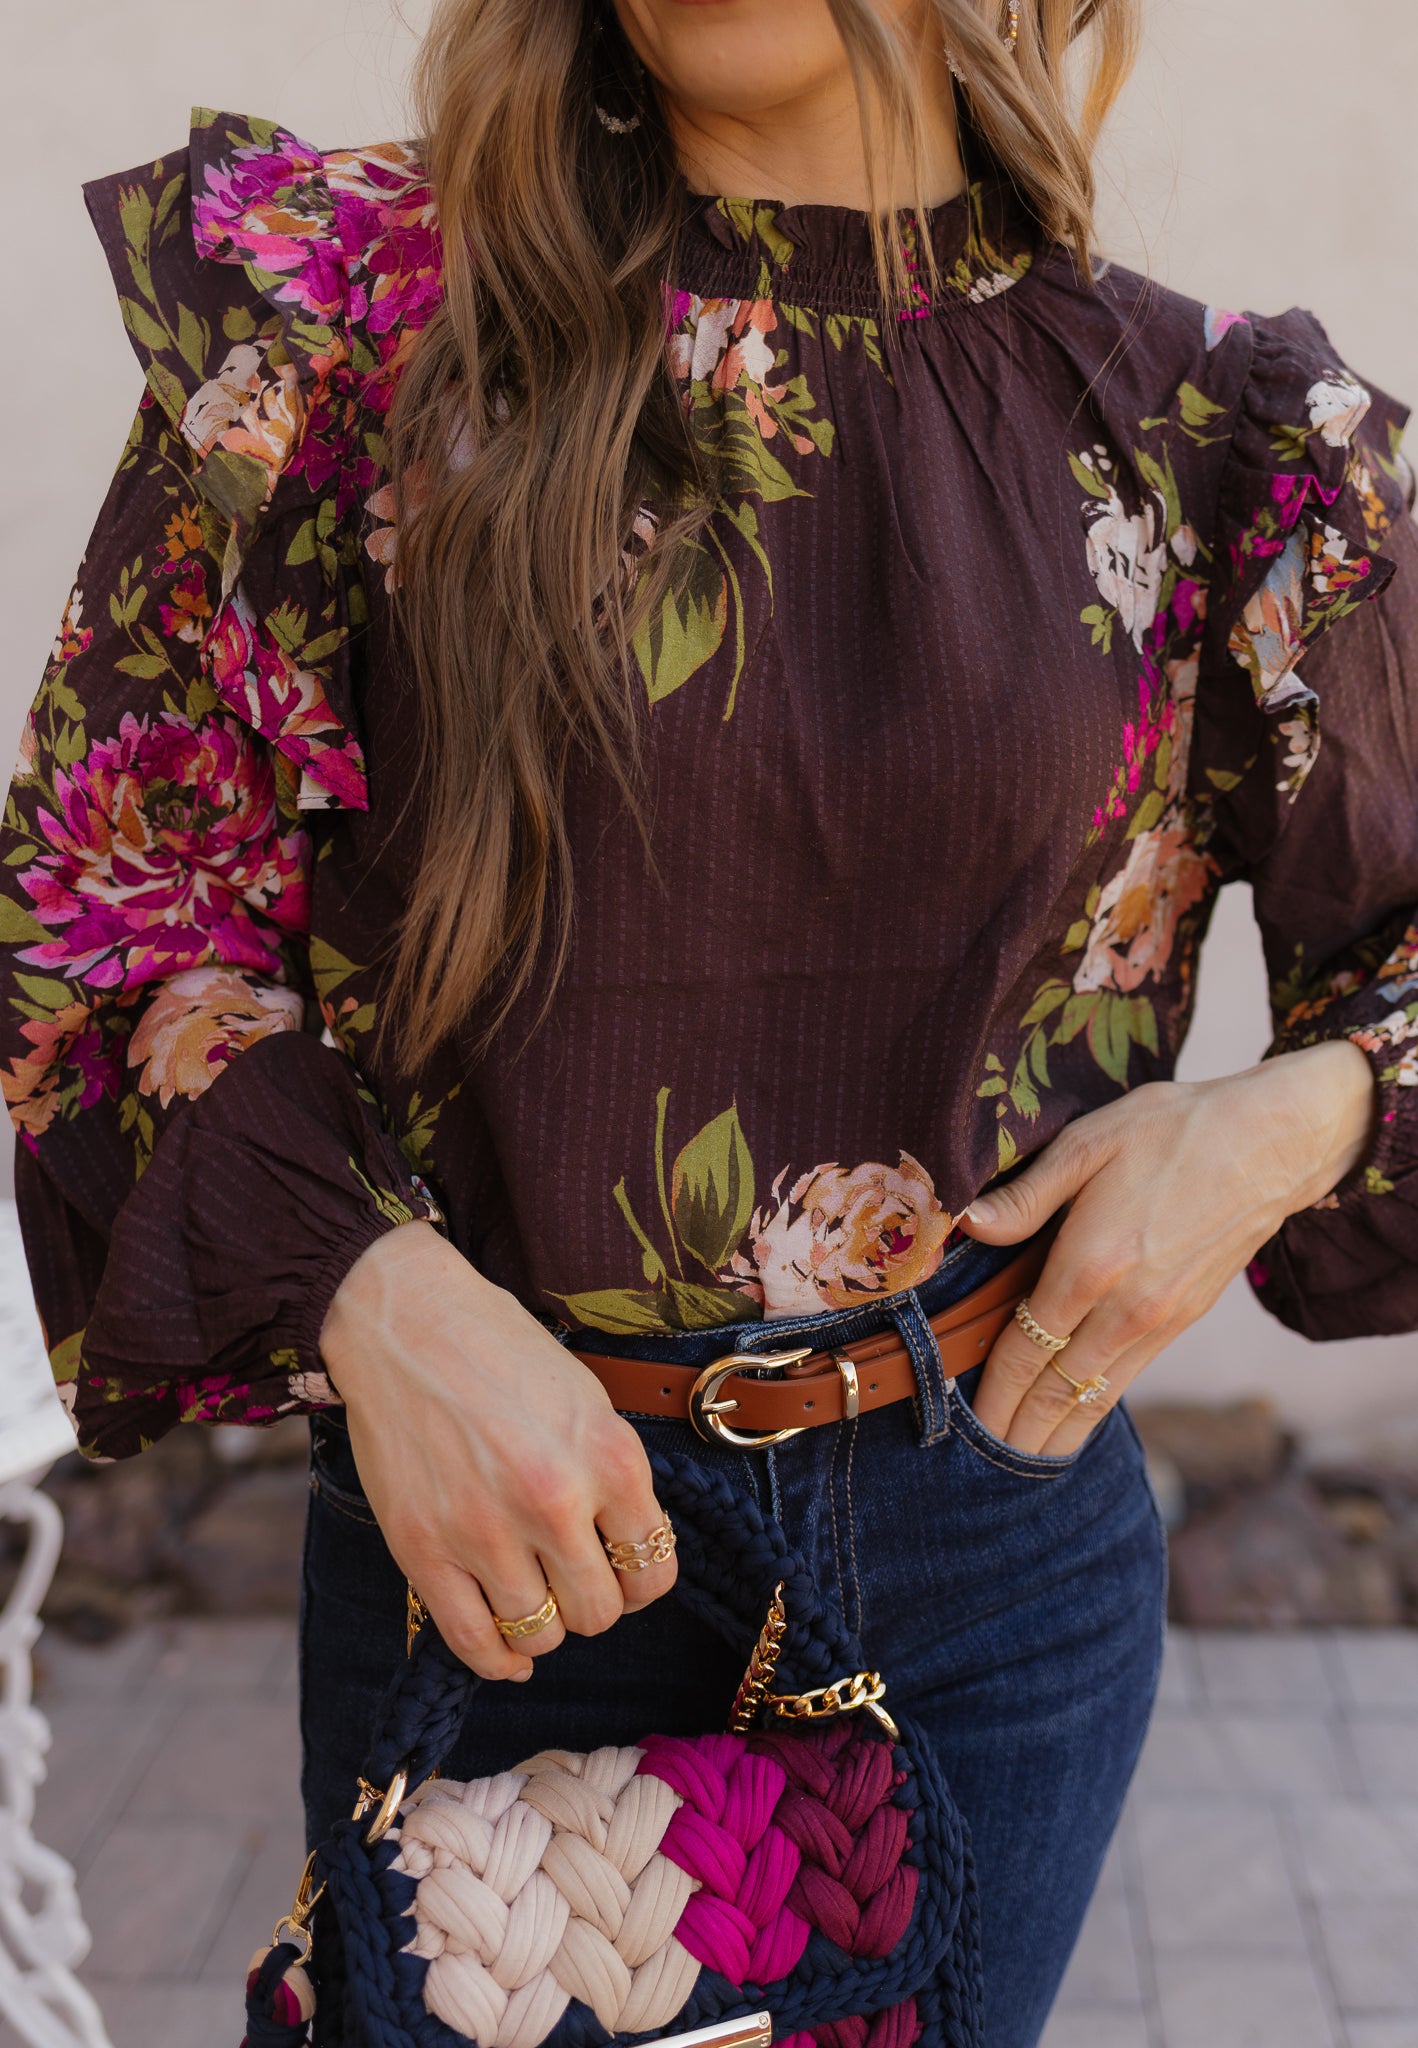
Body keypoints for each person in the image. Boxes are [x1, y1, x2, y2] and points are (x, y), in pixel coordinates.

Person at [6, 0, 1416, 2038]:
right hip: (498, 1551)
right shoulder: (349, 339)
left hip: (988, 1567)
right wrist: (361, 1285)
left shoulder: (1203, 428)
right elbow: (98, 916)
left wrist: (1276, 1121)